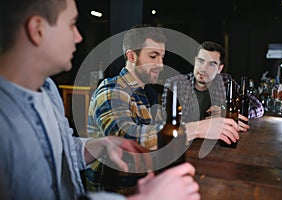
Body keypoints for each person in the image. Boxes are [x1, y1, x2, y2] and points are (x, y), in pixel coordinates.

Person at [0, 0, 201, 200]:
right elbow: (130, 136)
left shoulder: (48, 89)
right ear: (38, 30)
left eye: (162, 57)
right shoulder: (112, 90)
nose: (79, 37)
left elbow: (64, 150)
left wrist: (103, 144)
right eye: (72, 24)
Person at [86, 24, 167, 194]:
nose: (160, 64)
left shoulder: (148, 94)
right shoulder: (112, 90)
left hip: (140, 182)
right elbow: (126, 140)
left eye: (162, 57)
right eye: (153, 56)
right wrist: (189, 130)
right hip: (114, 191)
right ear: (131, 56)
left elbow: (158, 141)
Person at [162, 41, 264, 135]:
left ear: (219, 68)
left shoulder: (226, 81)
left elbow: (258, 108)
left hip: (218, 144)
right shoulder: (175, 83)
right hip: (185, 143)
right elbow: (164, 122)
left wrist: (228, 113)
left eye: (211, 64)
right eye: (200, 61)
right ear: (195, 61)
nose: (203, 69)